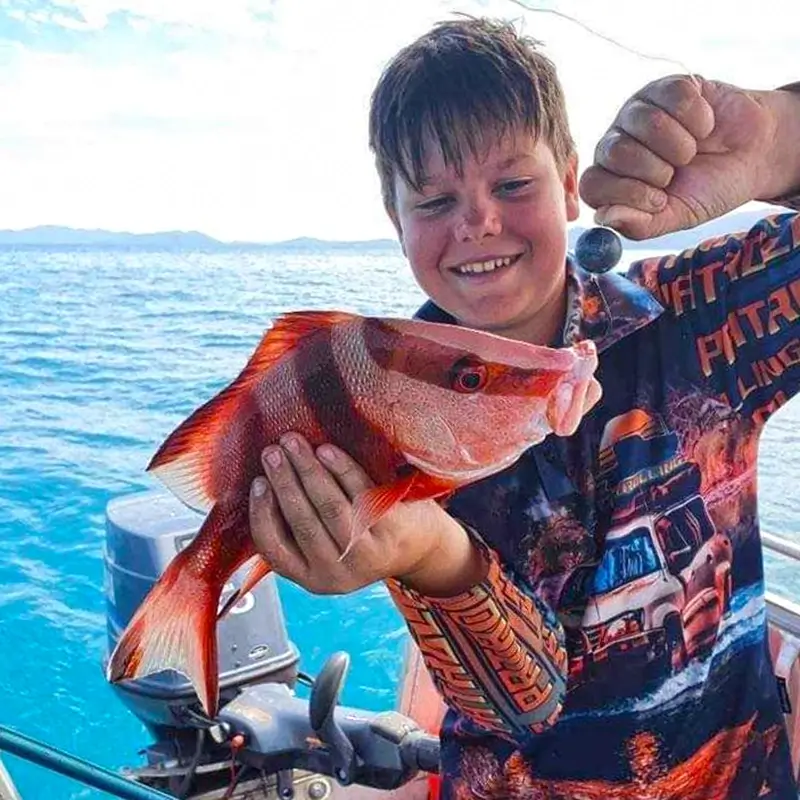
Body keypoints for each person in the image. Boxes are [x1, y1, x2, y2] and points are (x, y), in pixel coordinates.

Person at [246, 16, 800, 799]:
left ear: (570, 180)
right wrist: (431, 555)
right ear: (393, 217)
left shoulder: (692, 317)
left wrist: (782, 141)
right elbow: (527, 704)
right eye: (435, 199)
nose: (479, 222)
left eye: (512, 185)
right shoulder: (381, 413)